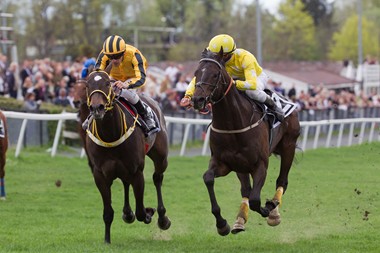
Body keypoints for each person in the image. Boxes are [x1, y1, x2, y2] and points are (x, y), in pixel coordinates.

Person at [180, 34, 284, 122]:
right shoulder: (215, 59)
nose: (213, 57)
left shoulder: (245, 58)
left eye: (217, 55)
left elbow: (252, 84)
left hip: (256, 78)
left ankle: (273, 105)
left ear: (225, 55)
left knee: (251, 92)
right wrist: (188, 96)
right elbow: (200, 78)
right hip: (233, 79)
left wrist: (234, 83)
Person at [92, 35, 159, 136]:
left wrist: (126, 84)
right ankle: (91, 116)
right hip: (113, 77)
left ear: (123, 52)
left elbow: (141, 78)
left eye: (117, 56)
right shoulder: (104, 54)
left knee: (124, 92)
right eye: (111, 57)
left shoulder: (134, 54)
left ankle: (146, 114)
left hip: (132, 78)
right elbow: (98, 74)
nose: (114, 60)